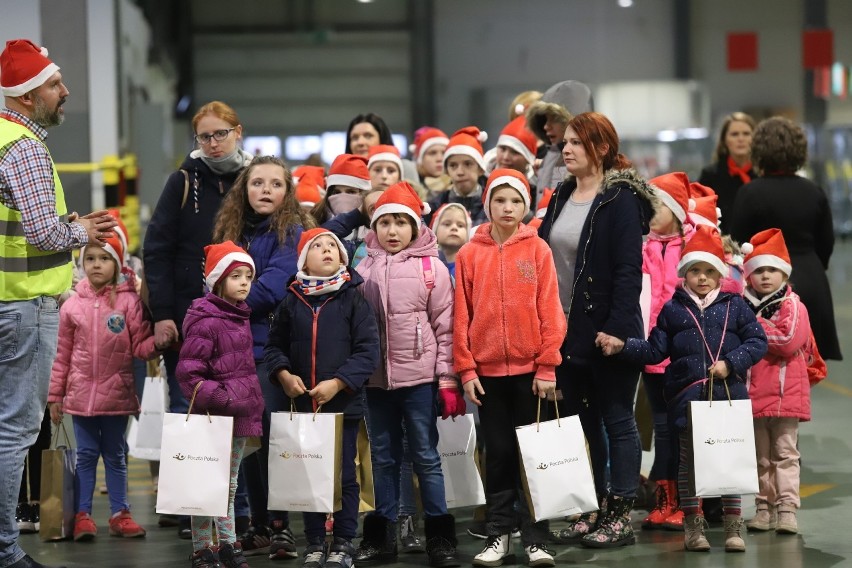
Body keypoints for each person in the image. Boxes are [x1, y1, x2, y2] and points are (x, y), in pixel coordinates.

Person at [0, 38, 117, 568]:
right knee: (16, 429)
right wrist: (81, 229)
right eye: (53, 83)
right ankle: (4, 548)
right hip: (23, 305)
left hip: (13, 303)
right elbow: (44, 234)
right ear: (27, 96)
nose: (64, 91)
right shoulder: (21, 145)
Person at [597, 225, 768, 552]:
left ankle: (734, 528)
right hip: (687, 404)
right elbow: (655, 352)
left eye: (709, 271)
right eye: (694, 271)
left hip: (726, 401)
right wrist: (624, 347)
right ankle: (694, 527)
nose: (702, 277)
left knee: (729, 465)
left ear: (720, 274)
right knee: (689, 466)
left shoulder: (735, 306)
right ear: (684, 275)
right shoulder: (673, 310)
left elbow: (757, 341)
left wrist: (731, 363)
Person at [537, 112, 654, 548]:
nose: (565, 149)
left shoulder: (620, 199)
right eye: (564, 142)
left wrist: (619, 331)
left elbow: (629, 271)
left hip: (608, 331)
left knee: (618, 421)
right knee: (583, 424)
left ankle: (621, 514)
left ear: (601, 149)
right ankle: (595, 507)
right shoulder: (563, 193)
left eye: (576, 143)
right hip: (567, 331)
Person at [143, 100, 253, 537]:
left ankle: (238, 516)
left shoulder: (254, 179)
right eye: (203, 137)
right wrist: (163, 316)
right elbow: (157, 250)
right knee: (187, 414)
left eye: (219, 134)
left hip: (242, 319)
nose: (211, 143)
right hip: (189, 324)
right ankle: (194, 511)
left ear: (237, 132)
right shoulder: (182, 183)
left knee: (241, 419)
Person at [454, 169, 567, 567]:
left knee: (535, 456)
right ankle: (499, 533)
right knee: (497, 454)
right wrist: (466, 370)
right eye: (500, 200)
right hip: (487, 378)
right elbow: (460, 316)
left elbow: (551, 311)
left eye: (515, 201)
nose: (507, 208)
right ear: (488, 204)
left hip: (532, 374)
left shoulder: (538, 251)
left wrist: (547, 365)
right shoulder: (469, 254)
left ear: (525, 206)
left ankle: (538, 537)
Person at [353, 182, 463, 568]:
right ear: (375, 227)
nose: (393, 231)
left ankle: (440, 536)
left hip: (419, 380)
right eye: (386, 222)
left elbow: (446, 328)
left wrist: (447, 380)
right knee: (382, 458)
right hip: (376, 383)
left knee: (426, 457)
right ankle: (382, 538)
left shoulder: (432, 270)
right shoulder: (361, 269)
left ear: (415, 226)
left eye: (402, 222)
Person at [211, 156, 314, 560]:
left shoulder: (292, 232)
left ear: (287, 191)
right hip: (232, 350)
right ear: (244, 190)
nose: (265, 190)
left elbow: (269, 287)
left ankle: (281, 525)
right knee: (246, 442)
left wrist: (219, 305)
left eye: (275, 183)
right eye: (257, 183)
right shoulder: (230, 230)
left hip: (270, 351)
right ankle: (257, 524)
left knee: (273, 439)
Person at [264, 228, 380, 568]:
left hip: (343, 406)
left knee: (345, 475)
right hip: (302, 408)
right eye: (318, 246)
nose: (328, 250)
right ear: (304, 260)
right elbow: (274, 347)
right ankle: (315, 541)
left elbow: (367, 351)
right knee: (308, 475)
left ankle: (344, 541)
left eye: (333, 245)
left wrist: (339, 382)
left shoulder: (354, 298)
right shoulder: (291, 300)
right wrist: (283, 375)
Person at [47, 233, 160, 541]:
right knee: (85, 454)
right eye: (91, 258)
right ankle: (82, 515)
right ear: (82, 263)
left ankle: (120, 513)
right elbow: (62, 355)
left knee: (115, 453)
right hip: (80, 396)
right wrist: (55, 395)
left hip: (118, 395)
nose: (97, 265)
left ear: (118, 263)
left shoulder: (128, 302)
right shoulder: (72, 306)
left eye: (105, 258)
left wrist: (159, 342)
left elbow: (140, 345)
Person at [176, 241, 264, 568]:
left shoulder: (238, 316)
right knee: (204, 487)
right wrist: (223, 397)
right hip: (213, 416)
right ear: (217, 280)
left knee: (228, 485)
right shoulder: (206, 318)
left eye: (248, 276)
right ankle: (203, 548)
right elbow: (189, 372)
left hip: (236, 417)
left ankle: (227, 544)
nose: (244, 282)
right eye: (235, 276)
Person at [729, 116, 841, 361]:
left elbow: (737, 245)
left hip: (766, 286)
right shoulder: (814, 191)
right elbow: (826, 243)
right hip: (811, 281)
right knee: (808, 370)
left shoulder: (750, 192)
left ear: (758, 151)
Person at [740, 228, 814, 535]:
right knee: (760, 456)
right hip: (753, 394)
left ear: (783, 273)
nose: (765, 276)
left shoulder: (793, 305)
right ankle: (763, 507)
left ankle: (787, 510)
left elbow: (787, 341)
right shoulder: (741, 304)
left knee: (785, 454)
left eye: (771, 269)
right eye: (758, 270)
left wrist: (753, 330)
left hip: (786, 395)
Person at [638, 172, 694, 531]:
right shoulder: (642, 248)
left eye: (656, 205)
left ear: (674, 210)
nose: (649, 212)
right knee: (659, 427)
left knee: (682, 430)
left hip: (685, 354)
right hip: (651, 353)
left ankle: (689, 500)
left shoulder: (693, 247)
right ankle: (665, 499)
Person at [525, 80, 593, 203]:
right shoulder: (551, 155)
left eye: (555, 118)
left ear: (573, 120)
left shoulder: (590, 161)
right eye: (545, 119)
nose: (546, 126)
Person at [697, 112, 757, 233]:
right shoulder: (710, 175)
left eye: (746, 134)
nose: (741, 139)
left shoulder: (763, 174)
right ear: (724, 141)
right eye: (734, 134)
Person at [426, 127, 489, 227]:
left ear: (481, 169)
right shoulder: (432, 209)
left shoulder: (492, 206)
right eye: (453, 165)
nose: (460, 172)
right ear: (446, 171)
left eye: (468, 164)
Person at [430, 203, 471, 281]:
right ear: (435, 231)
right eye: (447, 224)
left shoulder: (471, 267)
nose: (454, 228)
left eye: (460, 225)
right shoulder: (426, 264)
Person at [410, 127, 450, 196]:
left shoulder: (459, 187)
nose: (439, 159)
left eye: (444, 153)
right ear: (421, 160)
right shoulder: (411, 189)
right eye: (432, 153)